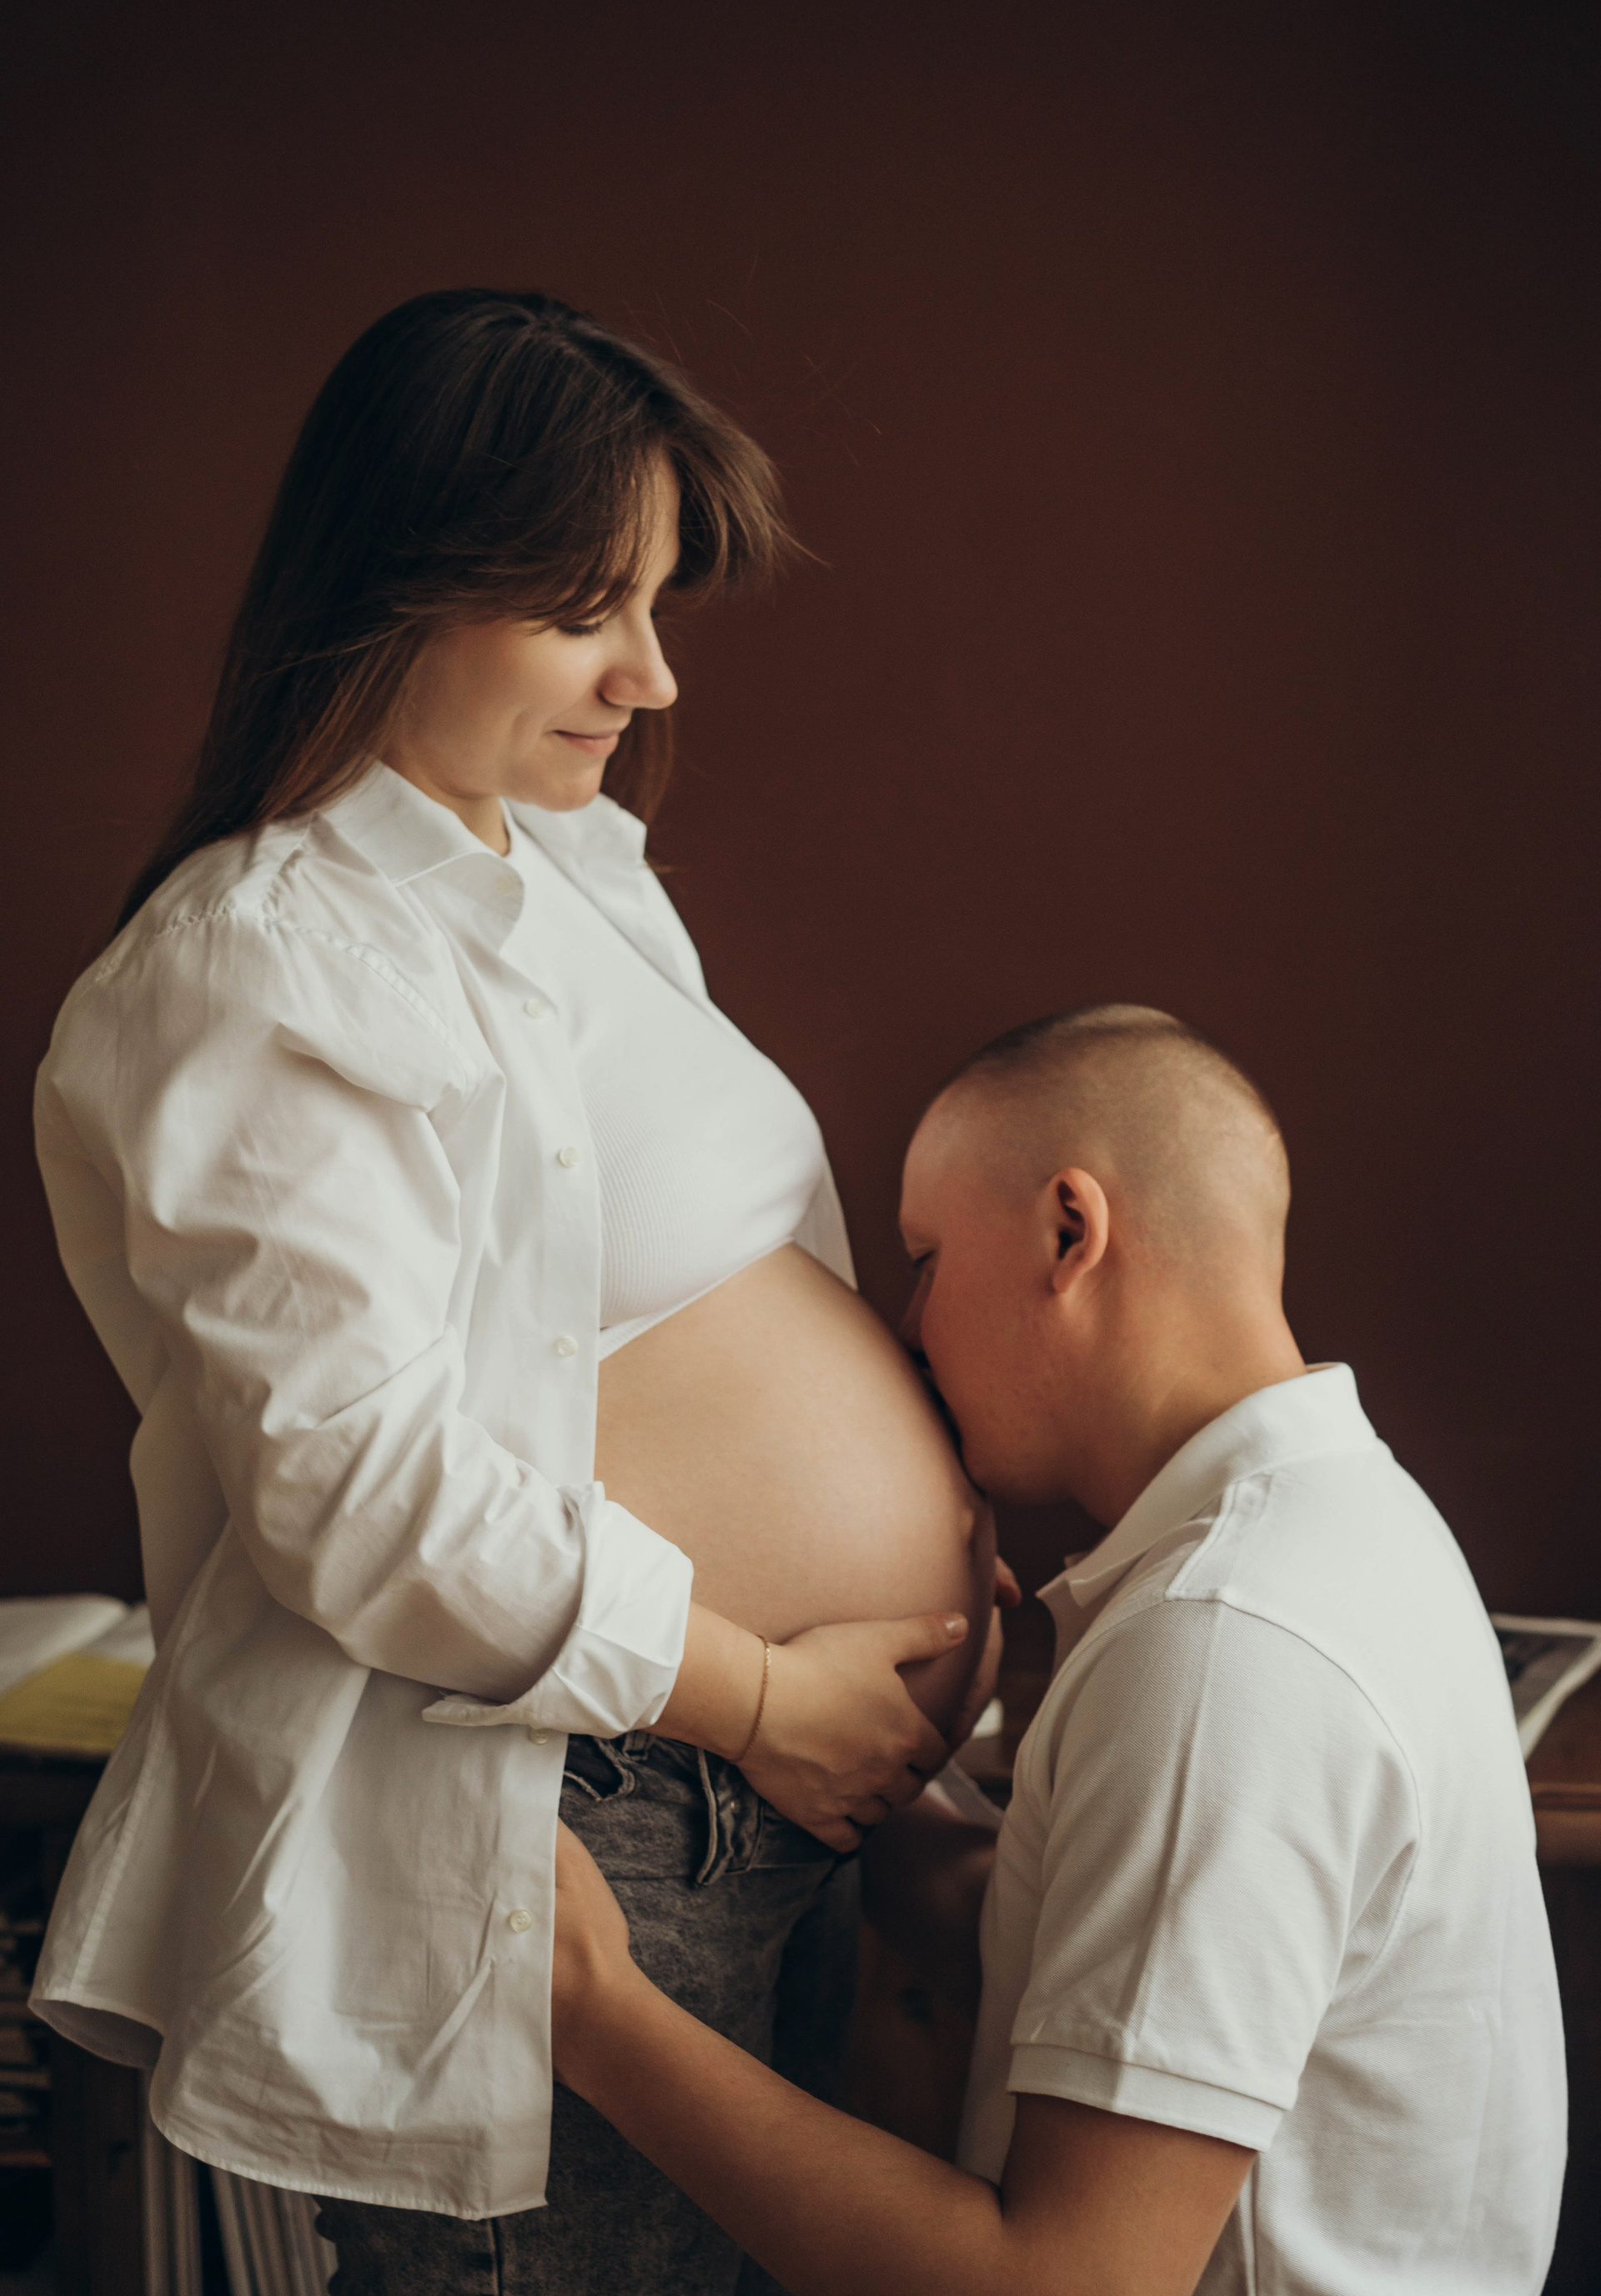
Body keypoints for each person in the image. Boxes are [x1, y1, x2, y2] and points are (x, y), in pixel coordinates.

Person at [30, 289, 997, 2292]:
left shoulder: (575, 875)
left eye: (652, 603)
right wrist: (763, 1696)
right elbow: (350, 1486)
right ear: (404, 583)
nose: (651, 672)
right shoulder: (254, 956)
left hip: (782, 1805)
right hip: (589, 1820)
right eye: (585, 611)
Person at [550, 1004, 1568, 2296]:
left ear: (1069, 1232)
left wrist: (593, 2006)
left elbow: (1070, 2282)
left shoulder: (1229, 1644)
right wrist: (883, 1767)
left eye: (926, 1258)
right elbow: (1140, 1980)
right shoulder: (1360, 1526)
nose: (908, 1326)